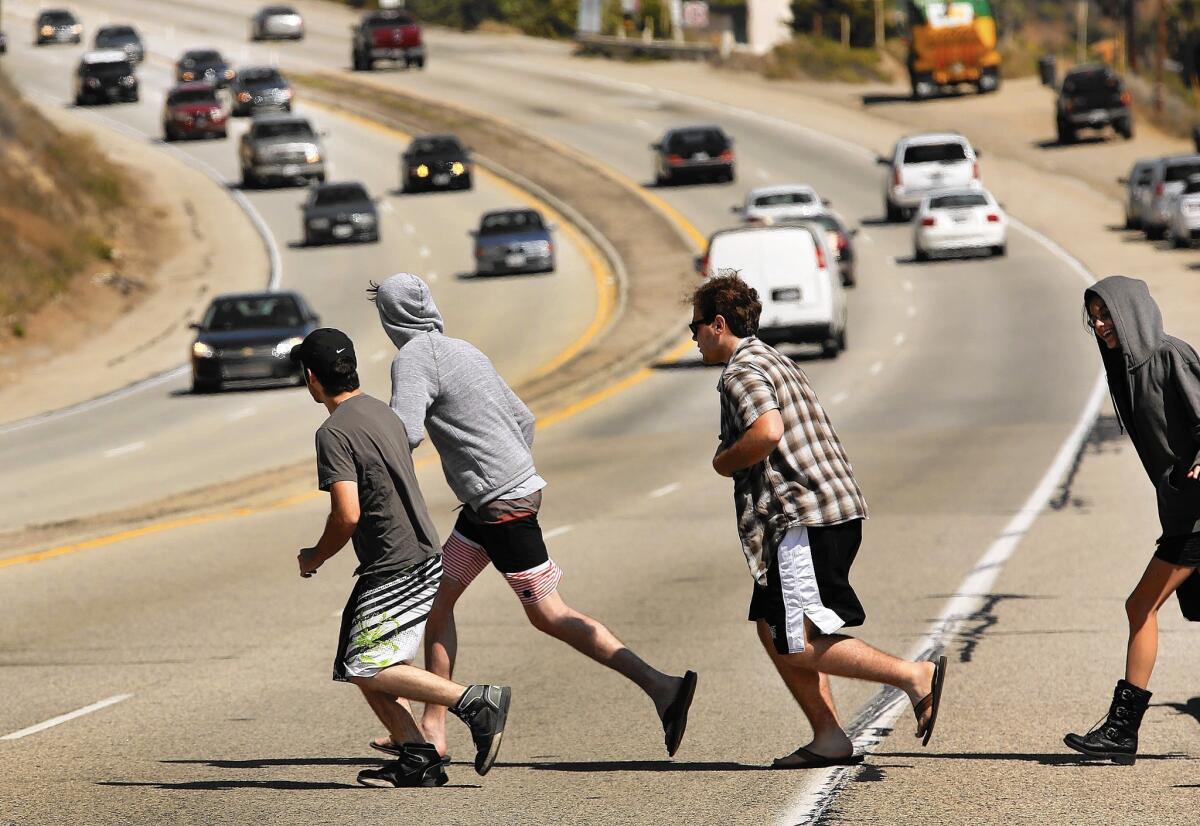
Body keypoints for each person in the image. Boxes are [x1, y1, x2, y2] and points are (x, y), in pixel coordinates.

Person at [369, 272, 698, 759]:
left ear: (390, 317)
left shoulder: (413, 357)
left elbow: (407, 433)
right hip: (491, 506)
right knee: (437, 605)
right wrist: (509, 472)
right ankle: (432, 731)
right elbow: (524, 417)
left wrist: (366, 452)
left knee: (550, 614)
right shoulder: (465, 350)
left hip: (500, 508)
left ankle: (662, 687)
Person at [690, 273, 944, 768]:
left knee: (796, 643)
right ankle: (828, 735)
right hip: (829, 510)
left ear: (718, 324)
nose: (693, 337)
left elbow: (767, 431)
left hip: (804, 517)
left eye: (695, 327)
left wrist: (725, 461)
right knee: (771, 626)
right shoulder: (772, 357)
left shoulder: (740, 372)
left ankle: (914, 676)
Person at [291, 327, 512, 787]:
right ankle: (418, 757)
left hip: (395, 563)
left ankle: (473, 700)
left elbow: (346, 513)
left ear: (311, 378)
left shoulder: (333, 433)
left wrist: (315, 555)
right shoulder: (381, 412)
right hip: (416, 554)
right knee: (359, 662)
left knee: (366, 664)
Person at [1064, 276, 1200, 765]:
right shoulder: (1127, 369)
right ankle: (1121, 733)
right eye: (1094, 316)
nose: (1100, 325)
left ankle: (1122, 731)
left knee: (1139, 606)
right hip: (1182, 511)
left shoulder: (1168, 356)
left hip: (1197, 516)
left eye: (1108, 315)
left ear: (1132, 313)